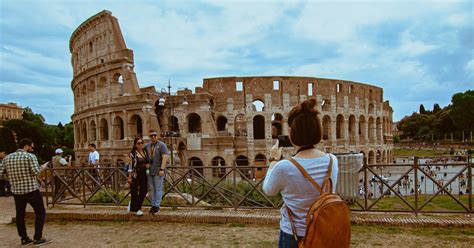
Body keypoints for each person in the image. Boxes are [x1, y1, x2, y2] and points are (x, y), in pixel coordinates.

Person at [262, 99, 339, 248]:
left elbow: (268, 190)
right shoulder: (332, 161)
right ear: (318, 131)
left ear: (291, 132)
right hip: (323, 230)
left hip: (293, 234)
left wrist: (273, 159)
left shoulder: (285, 166)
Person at [0, 138, 52, 246]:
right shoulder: (30, 156)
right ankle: (37, 238)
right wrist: (42, 167)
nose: (32, 149)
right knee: (40, 212)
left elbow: (0, 174)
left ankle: (24, 238)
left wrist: (10, 178)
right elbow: (36, 172)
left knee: (20, 215)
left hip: (17, 191)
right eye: (31, 147)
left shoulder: (7, 158)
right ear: (26, 146)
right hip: (31, 189)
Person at [144, 130, 169, 214]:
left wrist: (162, 169)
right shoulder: (147, 146)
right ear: (149, 136)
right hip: (149, 171)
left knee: (158, 188)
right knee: (151, 189)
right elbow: (143, 156)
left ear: (157, 135)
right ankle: (153, 205)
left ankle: (157, 206)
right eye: (151, 135)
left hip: (158, 171)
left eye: (155, 135)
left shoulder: (162, 145)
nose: (153, 137)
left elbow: (165, 157)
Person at [127, 137, 149, 216]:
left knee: (144, 191)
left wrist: (148, 165)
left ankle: (134, 205)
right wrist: (129, 177)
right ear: (135, 145)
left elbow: (148, 161)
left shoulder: (145, 152)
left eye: (142, 143)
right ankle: (137, 209)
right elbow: (130, 166)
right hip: (135, 175)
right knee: (134, 192)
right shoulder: (132, 154)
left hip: (144, 174)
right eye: (138, 143)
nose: (140, 145)